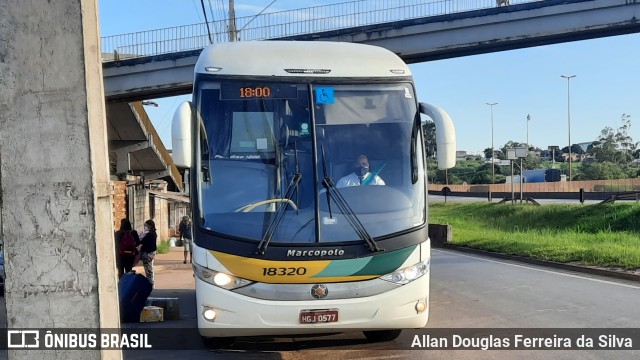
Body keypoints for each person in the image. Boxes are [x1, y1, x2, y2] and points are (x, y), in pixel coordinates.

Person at [140, 219, 158, 287]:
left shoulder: (150, 234)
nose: (145, 227)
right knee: (149, 268)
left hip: (148, 253)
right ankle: (150, 282)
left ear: (150, 226)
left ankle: (150, 283)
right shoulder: (152, 233)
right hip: (151, 252)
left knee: (148, 268)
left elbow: (143, 242)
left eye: (146, 225)